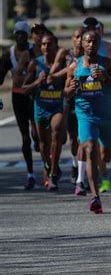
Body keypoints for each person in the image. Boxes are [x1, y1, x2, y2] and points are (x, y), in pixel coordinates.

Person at [64, 30, 111, 214]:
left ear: (99, 44)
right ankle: (95, 196)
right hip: (85, 116)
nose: (91, 45)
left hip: (106, 116)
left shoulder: (107, 64)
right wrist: (71, 88)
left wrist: (106, 79)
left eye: (94, 41)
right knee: (90, 148)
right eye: (88, 41)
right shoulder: (74, 67)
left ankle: (102, 165)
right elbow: (65, 93)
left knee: (105, 153)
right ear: (82, 44)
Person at [22, 33, 65, 191]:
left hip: (56, 107)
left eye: (50, 44)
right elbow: (24, 89)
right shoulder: (35, 64)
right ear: (40, 47)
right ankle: (49, 166)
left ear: (56, 46)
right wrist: (37, 82)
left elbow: (69, 82)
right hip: (40, 108)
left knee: (56, 132)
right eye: (44, 44)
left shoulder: (61, 65)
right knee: (43, 144)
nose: (46, 47)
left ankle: (53, 174)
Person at [0, 21, 39, 189]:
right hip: (17, 97)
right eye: (17, 33)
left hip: (34, 96)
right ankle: (30, 174)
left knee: (37, 133)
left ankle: (45, 154)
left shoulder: (34, 51)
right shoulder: (8, 54)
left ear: (27, 35)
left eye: (23, 33)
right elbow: (0, 77)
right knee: (25, 137)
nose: (20, 36)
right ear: (14, 35)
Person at [49, 28, 84, 191]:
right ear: (72, 38)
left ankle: (78, 168)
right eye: (77, 37)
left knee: (79, 137)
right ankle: (57, 171)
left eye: (82, 37)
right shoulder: (65, 53)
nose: (80, 40)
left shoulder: (90, 55)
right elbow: (52, 74)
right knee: (65, 136)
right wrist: (71, 68)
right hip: (67, 99)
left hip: (85, 100)